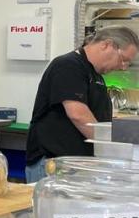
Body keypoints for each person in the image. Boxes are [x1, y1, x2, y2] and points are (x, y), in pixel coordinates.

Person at [25, 26, 139, 182]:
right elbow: (77, 114)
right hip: (55, 165)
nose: (123, 67)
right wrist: (110, 151)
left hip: (77, 165)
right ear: (107, 44)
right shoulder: (68, 65)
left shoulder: (95, 75)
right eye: (123, 59)